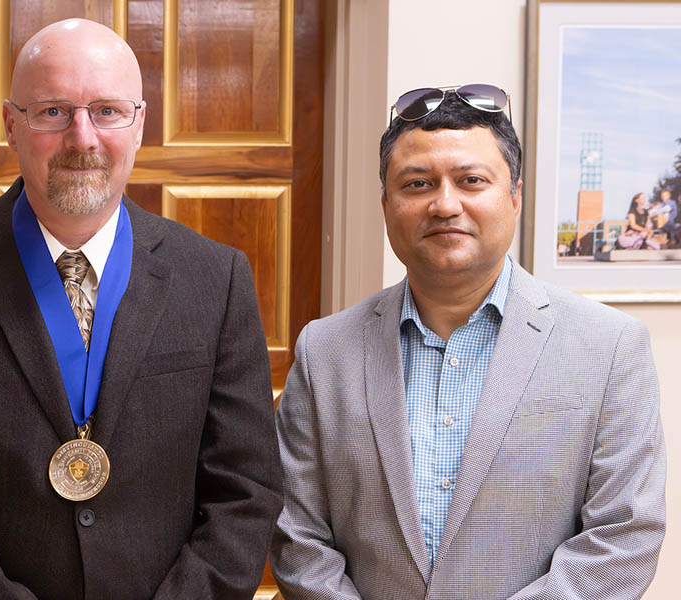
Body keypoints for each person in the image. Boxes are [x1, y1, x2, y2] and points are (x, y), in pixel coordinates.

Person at [0, 18, 279, 599]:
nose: (82, 138)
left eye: (106, 110)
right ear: (11, 124)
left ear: (138, 125)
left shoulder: (216, 277)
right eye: (53, 111)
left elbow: (246, 488)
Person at [270, 85, 665, 599]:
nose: (445, 204)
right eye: (418, 184)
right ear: (386, 205)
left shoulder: (610, 346)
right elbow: (296, 533)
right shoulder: (324, 350)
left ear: (515, 196)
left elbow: (623, 539)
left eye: (471, 180)